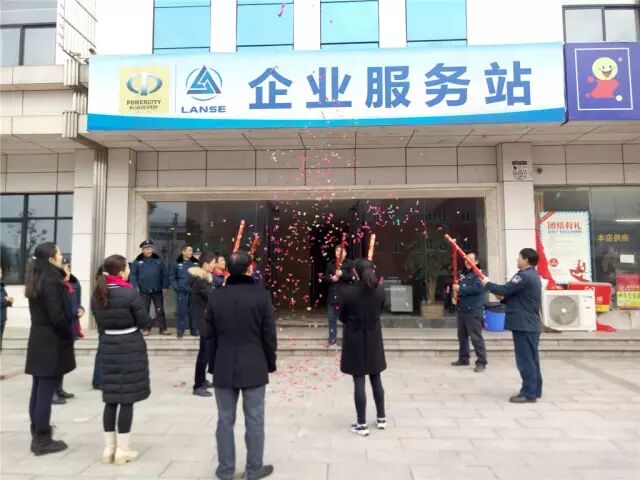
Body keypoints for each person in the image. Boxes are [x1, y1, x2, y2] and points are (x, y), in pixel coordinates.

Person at [205, 251, 277, 480]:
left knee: (225, 419)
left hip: (224, 363)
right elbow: (269, 334)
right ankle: (254, 469)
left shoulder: (216, 296)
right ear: (250, 269)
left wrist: (213, 363)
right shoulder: (261, 295)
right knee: (255, 419)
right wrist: (270, 361)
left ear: (227, 270)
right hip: (254, 362)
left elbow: (209, 336)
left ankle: (226, 470)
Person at [92, 254, 151, 465]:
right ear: (121, 271)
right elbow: (144, 321)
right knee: (126, 399)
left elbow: (99, 322)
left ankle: (109, 449)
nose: (129, 271)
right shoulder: (129, 293)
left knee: (110, 399)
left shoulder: (98, 293)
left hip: (108, 345)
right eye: (127, 267)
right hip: (130, 346)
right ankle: (122, 450)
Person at [24, 242, 76, 455]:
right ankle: (42, 438)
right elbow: (57, 315)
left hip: (39, 338)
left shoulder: (37, 277)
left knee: (38, 389)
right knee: (45, 391)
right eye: (59, 253)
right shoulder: (50, 281)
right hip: (50, 341)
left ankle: (37, 430)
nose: (62, 256)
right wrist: (68, 333)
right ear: (51, 258)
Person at [481, 248, 543, 403]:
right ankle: (535, 389)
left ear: (526, 260)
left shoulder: (523, 276)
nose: (517, 260)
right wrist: (502, 296)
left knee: (525, 360)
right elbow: (516, 296)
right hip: (530, 324)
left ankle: (528, 393)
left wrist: (487, 283)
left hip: (524, 324)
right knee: (532, 358)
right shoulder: (533, 275)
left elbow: (505, 289)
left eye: (519, 257)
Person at [339, 258, 387, 437]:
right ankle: (381, 418)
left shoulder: (349, 293)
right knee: (376, 377)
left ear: (356, 273)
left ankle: (362, 423)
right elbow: (380, 311)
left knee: (359, 379)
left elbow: (342, 317)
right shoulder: (379, 291)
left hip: (355, 339)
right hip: (373, 338)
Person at [52, 260, 86, 404]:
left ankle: (59, 388)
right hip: (60, 326)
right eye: (65, 270)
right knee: (55, 361)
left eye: (69, 270)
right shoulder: (55, 286)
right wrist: (72, 311)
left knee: (64, 360)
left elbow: (77, 303)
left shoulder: (74, 284)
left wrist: (81, 309)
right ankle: (52, 391)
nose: (68, 273)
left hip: (71, 325)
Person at [451, 252, 487, 373]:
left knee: (476, 338)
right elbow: (457, 288)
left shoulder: (479, 274)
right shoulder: (464, 274)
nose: (467, 262)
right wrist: (454, 297)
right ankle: (463, 358)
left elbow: (476, 289)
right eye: (466, 259)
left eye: (470, 260)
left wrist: (460, 289)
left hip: (473, 311)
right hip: (462, 310)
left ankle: (481, 362)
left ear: (476, 262)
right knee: (462, 337)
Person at [189, 252, 216, 397]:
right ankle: (198, 385)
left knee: (205, 351)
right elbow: (212, 298)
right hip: (203, 319)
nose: (214, 266)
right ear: (205, 264)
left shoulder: (205, 279)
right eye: (212, 263)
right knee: (204, 354)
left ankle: (202, 380)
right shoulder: (200, 281)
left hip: (206, 318)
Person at [130, 240, 170, 336]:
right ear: (143, 250)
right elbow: (133, 276)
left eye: (150, 248)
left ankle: (163, 329)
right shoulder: (137, 262)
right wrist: (134, 287)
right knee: (145, 310)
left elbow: (165, 274)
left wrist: (165, 286)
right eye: (146, 249)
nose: (149, 251)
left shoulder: (159, 260)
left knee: (160, 310)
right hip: (144, 290)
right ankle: (146, 329)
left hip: (157, 289)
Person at [323, 245, 353, 348]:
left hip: (345, 297)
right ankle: (332, 340)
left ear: (345, 253)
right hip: (333, 296)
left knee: (347, 320)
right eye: (337, 251)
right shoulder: (330, 264)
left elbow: (353, 278)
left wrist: (342, 274)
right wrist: (332, 278)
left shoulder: (350, 264)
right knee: (332, 319)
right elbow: (325, 278)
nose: (339, 253)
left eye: (341, 251)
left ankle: (348, 340)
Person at [171, 245, 199, 338]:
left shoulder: (195, 263)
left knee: (193, 312)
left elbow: (199, 276)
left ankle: (194, 330)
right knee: (181, 312)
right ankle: (180, 331)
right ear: (183, 252)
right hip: (182, 292)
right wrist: (176, 288)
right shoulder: (176, 263)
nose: (191, 252)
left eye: (191, 250)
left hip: (193, 291)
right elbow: (172, 277)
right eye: (189, 250)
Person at [1, 266, 14, 352]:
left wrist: (9, 301)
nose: (0, 275)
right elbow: (3, 299)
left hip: (2, 319)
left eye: (1, 273)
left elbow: (5, 299)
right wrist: (4, 299)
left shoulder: (2, 286)